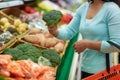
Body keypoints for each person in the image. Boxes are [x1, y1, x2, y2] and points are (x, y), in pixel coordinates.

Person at [48, 0, 120, 79]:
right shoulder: (84, 8)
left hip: (103, 72)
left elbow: (116, 45)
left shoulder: (112, 10)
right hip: (84, 66)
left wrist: (87, 44)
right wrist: (55, 31)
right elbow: (69, 31)